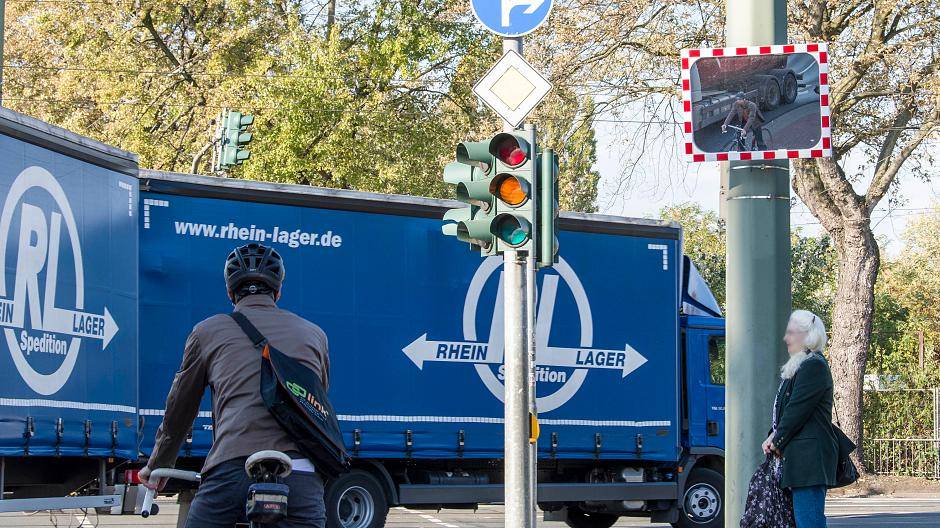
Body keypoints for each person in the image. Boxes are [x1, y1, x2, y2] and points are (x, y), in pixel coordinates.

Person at [139, 243, 330, 528]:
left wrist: (158, 464)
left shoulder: (207, 332)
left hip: (232, 468)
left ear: (230, 293)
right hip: (300, 474)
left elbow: (179, 411)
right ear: (278, 291)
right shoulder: (315, 335)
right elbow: (318, 404)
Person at [761, 310, 839, 528]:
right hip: (801, 462)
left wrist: (776, 440)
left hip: (809, 464)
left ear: (807, 335)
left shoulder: (813, 366)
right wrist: (773, 436)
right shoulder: (802, 365)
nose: (786, 338)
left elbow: (796, 411)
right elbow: (787, 411)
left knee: (809, 522)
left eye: (791, 333)